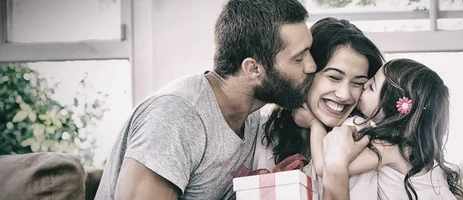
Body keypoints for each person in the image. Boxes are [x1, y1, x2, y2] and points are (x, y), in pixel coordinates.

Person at [95, 0, 317, 199]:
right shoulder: (177, 116)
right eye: (299, 58)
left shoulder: (250, 118)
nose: (312, 66)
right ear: (253, 68)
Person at [297, 59, 463, 200]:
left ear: (390, 110)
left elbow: (325, 167)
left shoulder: (389, 147)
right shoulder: (419, 151)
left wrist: (314, 123)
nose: (363, 86)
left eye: (371, 86)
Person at [253, 17, 384, 197]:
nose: (345, 94)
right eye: (334, 78)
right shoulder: (266, 129)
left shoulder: (359, 136)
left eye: (358, 83)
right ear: (307, 71)